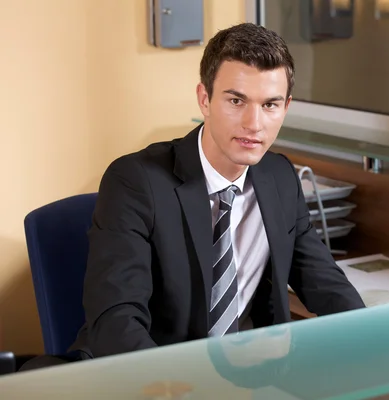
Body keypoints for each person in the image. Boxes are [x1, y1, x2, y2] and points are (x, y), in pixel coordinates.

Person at [62, 22, 365, 360]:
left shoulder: (280, 177)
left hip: (250, 373)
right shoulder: (135, 182)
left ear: (286, 108)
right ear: (204, 99)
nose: (254, 123)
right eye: (237, 101)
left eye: (270, 105)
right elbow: (116, 320)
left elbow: (325, 283)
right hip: (155, 377)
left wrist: (377, 344)